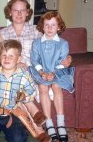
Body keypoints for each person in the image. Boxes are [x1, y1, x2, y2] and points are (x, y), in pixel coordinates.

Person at [28, 11, 75, 142]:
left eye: (53, 25)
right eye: (46, 25)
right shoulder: (36, 43)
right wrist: (42, 73)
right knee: (43, 86)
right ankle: (49, 124)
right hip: (41, 71)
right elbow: (34, 60)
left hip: (58, 71)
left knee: (56, 85)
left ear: (59, 27)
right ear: (42, 26)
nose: (49, 28)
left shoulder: (63, 43)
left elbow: (63, 61)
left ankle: (61, 124)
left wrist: (53, 73)